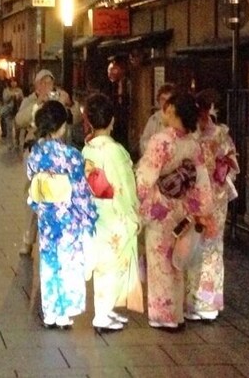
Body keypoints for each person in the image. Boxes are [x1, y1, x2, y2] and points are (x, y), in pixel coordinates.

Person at [134, 92, 213, 330]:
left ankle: (163, 316)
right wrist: (202, 210)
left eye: (168, 108)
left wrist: (138, 198)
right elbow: (201, 180)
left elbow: (145, 177)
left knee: (160, 261)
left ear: (174, 112)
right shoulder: (193, 144)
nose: (165, 112)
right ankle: (176, 314)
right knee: (177, 261)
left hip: (160, 207)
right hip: (183, 209)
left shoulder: (161, 141)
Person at [24, 100, 97, 329]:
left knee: (49, 263)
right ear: (62, 126)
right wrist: (89, 217)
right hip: (69, 218)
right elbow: (81, 190)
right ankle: (65, 313)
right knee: (70, 263)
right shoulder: (71, 155)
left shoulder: (36, 153)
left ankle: (51, 313)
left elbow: (32, 179)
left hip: (47, 217)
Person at [81, 93, 143, 332]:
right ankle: (102, 315)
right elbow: (125, 185)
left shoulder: (87, 149)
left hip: (95, 213)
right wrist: (134, 213)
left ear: (89, 120)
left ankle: (105, 310)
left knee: (103, 264)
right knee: (113, 265)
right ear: (112, 121)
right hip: (115, 214)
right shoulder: (116, 151)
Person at [185, 89, 240, 322]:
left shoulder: (192, 137)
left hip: (198, 197)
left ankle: (196, 302)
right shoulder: (220, 136)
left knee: (196, 246)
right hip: (215, 197)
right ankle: (208, 303)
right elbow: (233, 166)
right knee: (212, 247)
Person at [14, 69, 76, 255]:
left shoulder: (59, 98)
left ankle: (55, 238)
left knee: (57, 197)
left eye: (50, 82)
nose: (46, 86)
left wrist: (68, 104)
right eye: (42, 82)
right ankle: (28, 238)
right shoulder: (29, 101)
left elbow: (75, 117)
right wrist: (38, 104)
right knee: (32, 195)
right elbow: (19, 120)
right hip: (35, 152)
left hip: (58, 154)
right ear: (36, 85)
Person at [139, 83, 175, 155]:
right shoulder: (153, 119)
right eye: (163, 99)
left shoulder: (178, 118)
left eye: (168, 100)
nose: (165, 103)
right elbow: (144, 141)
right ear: (159, 100)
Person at [0, 78, 23, 143]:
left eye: (15, 82)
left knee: (17, 127)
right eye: (12, 82)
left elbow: (22, 99)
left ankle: (17, 140)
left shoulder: (19, 90)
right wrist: (11, 96)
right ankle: (10, 142)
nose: (13, 83)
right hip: (8, 110)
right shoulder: (6, 90)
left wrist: (19, 98)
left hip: (17, 110)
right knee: (9, 127)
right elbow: (5, 99)